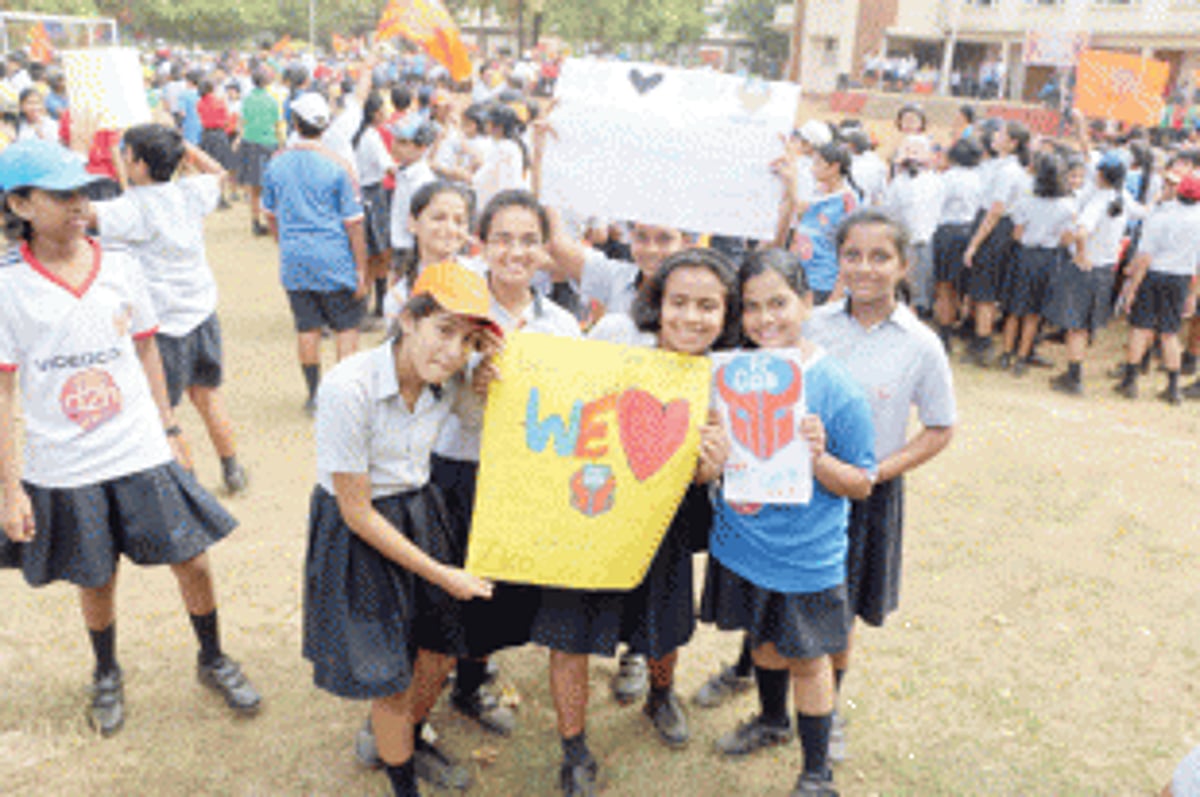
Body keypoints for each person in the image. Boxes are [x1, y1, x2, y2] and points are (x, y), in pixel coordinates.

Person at [0, 138, 261, 739]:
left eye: (81, 191)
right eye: (59, 194)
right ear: (19, 203)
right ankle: (107, 670)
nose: (77, 204)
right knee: (95, 575)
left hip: (138, 445)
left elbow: (145, 345)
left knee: (191, 559)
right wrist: (12, 490)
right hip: (64, 461)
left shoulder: (119, 262)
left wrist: (169, 428)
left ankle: (213, 656)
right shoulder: (11, 285)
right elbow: (6, 394)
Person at [532, 248, 732, 796]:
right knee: (569, 633)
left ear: (725, 311)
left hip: (667, 513)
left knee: (663, 621)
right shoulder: (618, 340)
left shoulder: (726, 375)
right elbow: (557, 391)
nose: (692, 317)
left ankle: (660, 697)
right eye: (680, 302)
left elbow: (739, 466)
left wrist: (712, 469)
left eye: (707, 306)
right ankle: (574, 749)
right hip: (590, 509)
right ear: (657, 303)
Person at [303, 260, 499, 797]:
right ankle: (403, 781)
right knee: (389, 675)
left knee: (438, 649)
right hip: (362, 528)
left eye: (467, 339)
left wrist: (485, 384)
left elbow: (486, 426)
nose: (453, 351)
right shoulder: (349, 387)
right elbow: (356, 511)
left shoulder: (449, 380)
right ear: (409, 318)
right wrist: (442, 573)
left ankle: (408, 737)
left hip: (422, 510)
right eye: (443, 330)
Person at [702, 247, 876, 797]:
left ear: (806, 301)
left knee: (808, 660)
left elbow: (863, 481)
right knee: (761, 645)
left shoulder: (835, 387)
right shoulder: (728, 373)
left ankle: (817, 772)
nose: (765, 319)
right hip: (741, 542)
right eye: (751, 307)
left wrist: (819, 458)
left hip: (804, 554)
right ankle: (772, 721)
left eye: (778, 302)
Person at [90, 123, 249, 493]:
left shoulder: (130, 208)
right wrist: (184, 147)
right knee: (209, 396)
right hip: (201, 311)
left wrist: (83, 152)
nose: (123, 157)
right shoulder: (190, 192)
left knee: (164, 413)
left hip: (161, 327)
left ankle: (188, 485)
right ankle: (232, 470)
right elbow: (218, 173)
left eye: (128, 153)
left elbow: (80, 212)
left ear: (140, 165)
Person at [261, 91, 369, 413]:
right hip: (335, 258)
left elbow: (271, 214)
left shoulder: (276, 163)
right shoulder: (339, 166)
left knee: (306, 328)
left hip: (296, 260)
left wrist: (285, 244)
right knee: (346, 328)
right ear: (325, 126)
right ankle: (344, 396)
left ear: (295, 122)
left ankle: (313, 394)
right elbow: (354, 223)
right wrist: (360, 269)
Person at [1044, 153, 1130, 395]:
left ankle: (1073, 376)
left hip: (1086, 268)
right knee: (1084, 325)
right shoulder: (1122, 198)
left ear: (1100, 175)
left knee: (1076, 326)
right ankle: (1073, 374)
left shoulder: (1098, 200)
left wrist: (1080, 253)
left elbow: (1082, 232)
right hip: (1105, 269)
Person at [1113, 173, 1200, 404]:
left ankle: (1130, 381)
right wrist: (1193, 293)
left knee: (1141, 328)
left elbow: (1146, 256)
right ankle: (1172, 388)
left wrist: (1132, 288)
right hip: (1181, 278)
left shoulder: (1162, 215)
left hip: (1155, 274)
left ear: (1179, 192)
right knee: (1170, 332)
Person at [997, 152, 1077, 375]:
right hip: (1048, 259)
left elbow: (1017, 233)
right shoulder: (1067, 206)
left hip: (1024, 256)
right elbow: (1066, 238)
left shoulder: (1025, 200)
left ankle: (1005, 354)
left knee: (1014, 309)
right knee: (1033, 313)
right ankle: (1022, 358)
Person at [962, 120, 1032, 366]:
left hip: (995, 228)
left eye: (1002, 133)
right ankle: (981, 340)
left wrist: (975, 243)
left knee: (985, 291)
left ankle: (983, 343)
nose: (996, 136)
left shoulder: (1008, 171)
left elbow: (995, 210)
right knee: (983, 289)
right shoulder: (1003, 167)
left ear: (1013, 143)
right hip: (997, 226)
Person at [773, 141, 861, 304]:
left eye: (818, 163)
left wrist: (838, 291)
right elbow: (798, 211)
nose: (813, 169)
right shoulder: (816, 193)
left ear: (834, 167)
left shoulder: (847, 200)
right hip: (802, 273)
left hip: (824, 279)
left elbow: (852, 247)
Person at [932, 137, 984, 351]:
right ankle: (967, 328)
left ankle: (945, 334)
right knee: (966, 287)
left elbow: (936, 206)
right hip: (972, 231)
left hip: (948, 231)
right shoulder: (981, 178)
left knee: (945, 286)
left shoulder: (946, 179)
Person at [883, 135, 943, 316]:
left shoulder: (934, 180)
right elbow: (890, 210)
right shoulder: (899, 181)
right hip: (902, 241)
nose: (911, 156)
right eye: (907, 151)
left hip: (923, 241)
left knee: (921, 288)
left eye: (916, 151)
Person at [353, 92, 398, 323]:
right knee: (379, 254)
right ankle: (374, 305)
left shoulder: (361, 134)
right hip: (373, 194)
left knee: (371, 254)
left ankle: (370, 305)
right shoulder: (371, 137)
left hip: (363, 194)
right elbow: (388, 167)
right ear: (375, 113)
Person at [237, 68, 281, 237]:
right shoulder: (271, 101)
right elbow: (277, 124)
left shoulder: (247, 100)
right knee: (271, 184)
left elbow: (243, 120)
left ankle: (255, 222)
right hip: (268, 142)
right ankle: (273, 221)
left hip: (250, 142)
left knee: (254, 186)